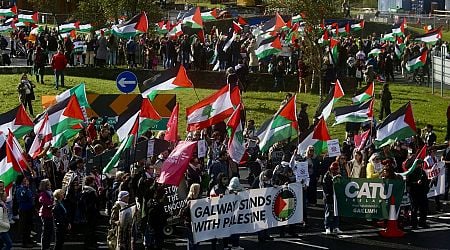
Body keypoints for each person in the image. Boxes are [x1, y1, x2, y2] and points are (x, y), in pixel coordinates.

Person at [406, 157, 430, 229]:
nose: (420, 165)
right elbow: (408, 183)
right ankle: (414, 223)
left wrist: (426, 189)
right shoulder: (410, 172)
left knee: (424, 208)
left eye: (421, 164)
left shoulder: (422, 172)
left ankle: (422, 222)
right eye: (418, 164)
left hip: (422, 192)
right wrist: (416, 183)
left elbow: (426, 181)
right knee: (414, 208)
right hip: (414, 192)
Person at [322, 162, 342, 234]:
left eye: (336, 169)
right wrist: (327, 195)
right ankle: (327, 227)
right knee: (328, 212)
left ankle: (335, 227)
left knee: (336, 212)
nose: (335, 171)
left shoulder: (339, 175)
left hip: (336, 196)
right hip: (329, 196)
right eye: (333, 169)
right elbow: (325, 187)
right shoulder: (326, 176)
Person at [180, 183, 201, 250]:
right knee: (192, 241)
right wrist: (188, 206)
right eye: (198, 189)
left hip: (197, 223)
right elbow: (184, 212)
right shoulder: (189, 199)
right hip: (189, 223)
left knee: (197, 241)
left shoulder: (199, 198)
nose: (199, 190)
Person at [16, 176, 35, 248]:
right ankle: (24, 242)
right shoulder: (19, 189)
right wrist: (26, 189)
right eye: (24, 179)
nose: (26, 180)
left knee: (29, 225)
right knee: (25, 226)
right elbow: (21, 197)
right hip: (24, 209)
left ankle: (29, 239)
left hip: (30, 208)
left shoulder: (27, 188)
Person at [38, 179, 53, 250]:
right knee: (46, 232)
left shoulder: (50, 192)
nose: (50, 185)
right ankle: (44, 247)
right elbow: (44, 201)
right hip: (45, 214)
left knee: (50, 231)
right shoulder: (43, 193)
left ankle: (48, 245)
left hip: (50, 214)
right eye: (48, 184)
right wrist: (51, 204)